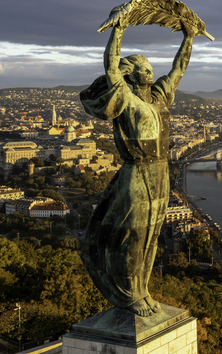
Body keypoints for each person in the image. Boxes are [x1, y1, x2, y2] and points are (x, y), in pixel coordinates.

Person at [80, 21, 202, 316]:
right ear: (131, 75)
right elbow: (111, 67)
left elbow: (179, 68)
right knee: (133, 237)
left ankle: (142, 291)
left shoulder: (159, 97)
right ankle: (128, 294)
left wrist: (189, 36)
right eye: (143, 68)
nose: (150, 71)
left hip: (162, 173)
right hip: (137, 172)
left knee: (151, 237)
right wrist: (118, 28)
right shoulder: (125, 99)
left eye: (150, 67)